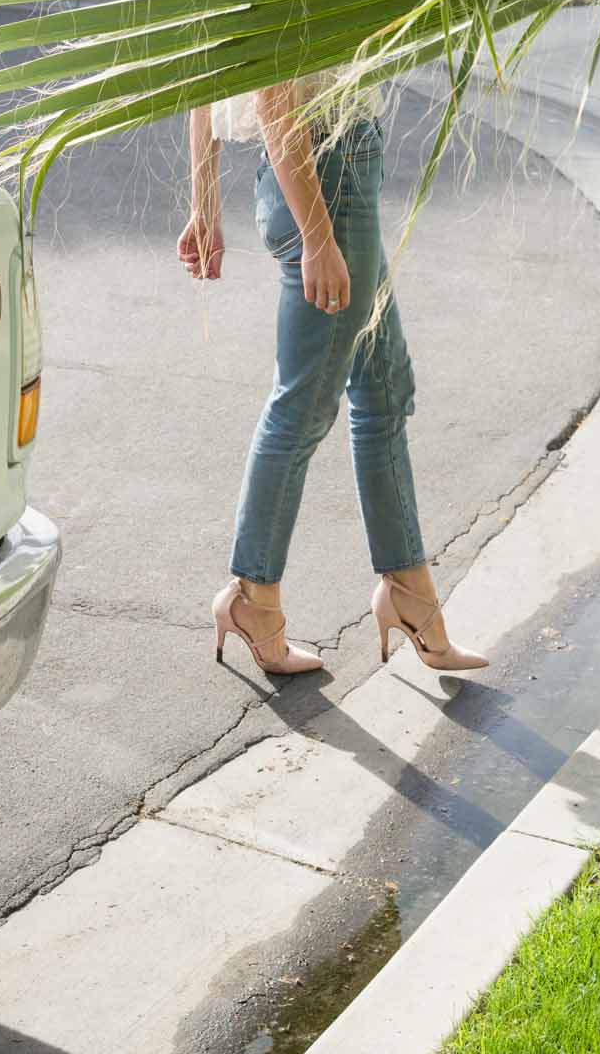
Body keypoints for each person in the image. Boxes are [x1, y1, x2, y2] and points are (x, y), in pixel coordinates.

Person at [177, 69, 489, 678]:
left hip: (328, 178)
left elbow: (207, 71)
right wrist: (319, 238)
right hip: (325, 182)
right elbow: (274, 96)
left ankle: (408, 592)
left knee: (383, 389)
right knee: (304, 406)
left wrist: (205, 201)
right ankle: (251, 597)